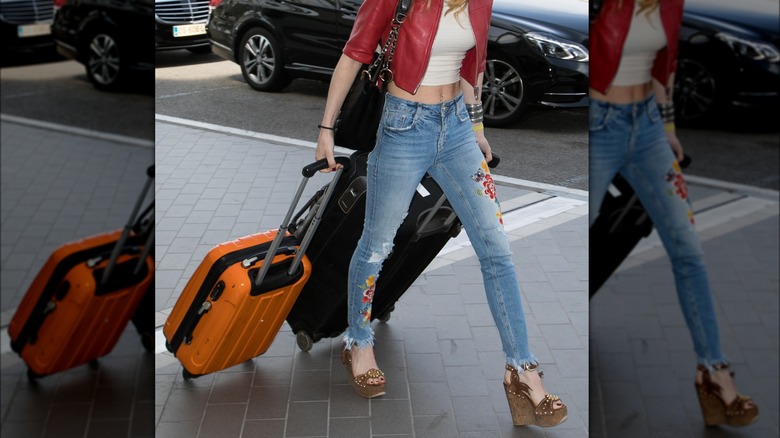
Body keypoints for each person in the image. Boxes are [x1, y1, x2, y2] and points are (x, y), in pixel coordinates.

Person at [314, 0, 567, 427]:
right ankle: (358, 340)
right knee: (377, 245)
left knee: (496, 247)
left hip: (456, 132)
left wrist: (478, 128)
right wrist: (326, 129)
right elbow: (354, 53)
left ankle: (521, 369)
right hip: (402, 127)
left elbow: (473, 66)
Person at [589, 0, 758, 427]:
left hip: (645, 128)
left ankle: (713, 371)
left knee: (688, 248)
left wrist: (667, 130)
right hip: (597, 126)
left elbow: (664, 65)